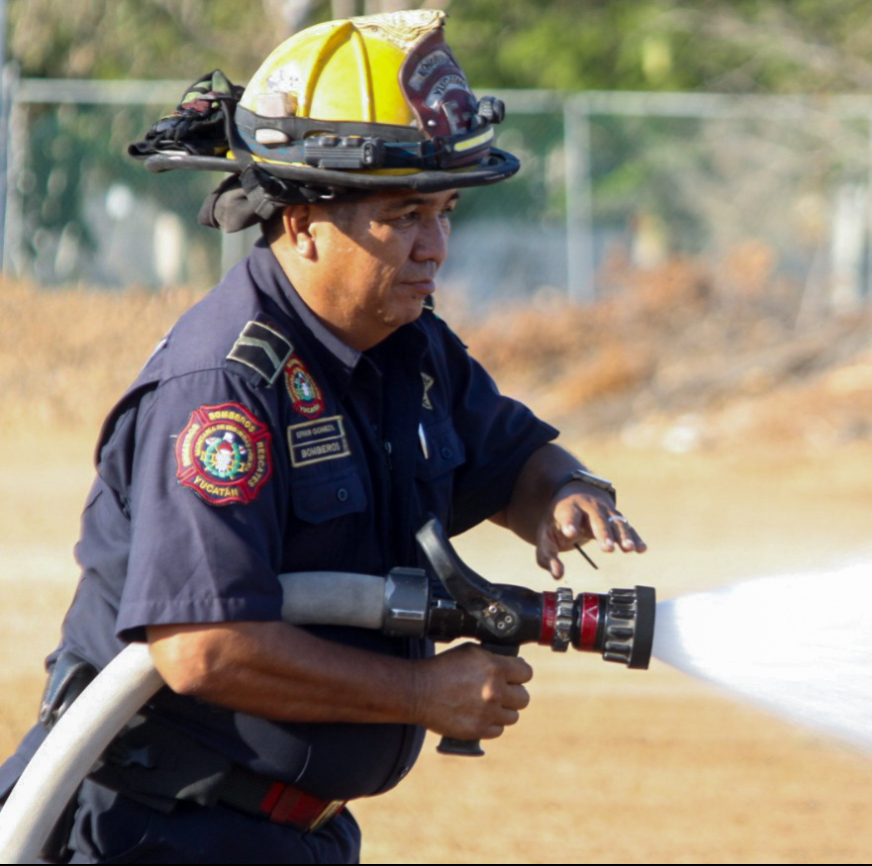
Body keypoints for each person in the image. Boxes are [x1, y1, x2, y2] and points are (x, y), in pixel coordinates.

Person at [0, 10, 646, 863]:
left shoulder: (406, 345)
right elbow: (203, 648)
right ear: (302, 219)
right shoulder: (225, 392)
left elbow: (510, 455)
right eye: (404, 214)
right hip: (155, 831)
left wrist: (564, 493)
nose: (435, 246)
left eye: (445, 210)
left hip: (290, 832)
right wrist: (422, 691)